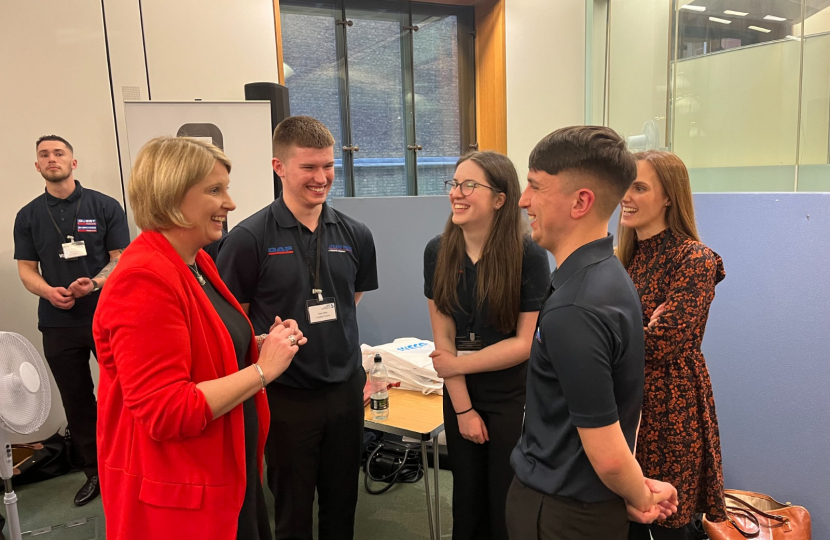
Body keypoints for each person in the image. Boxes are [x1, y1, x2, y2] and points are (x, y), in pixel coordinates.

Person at [93, 137, 305, 539]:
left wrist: (259, 343)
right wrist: (263, 370)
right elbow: (166, 410)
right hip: (181, 491)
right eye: (214, 190)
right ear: (172, 195)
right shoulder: (143, 278)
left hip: (225, 470)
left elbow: (199, 349)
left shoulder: (196, 262)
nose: (231, 203)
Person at [506, 126, 678, 540]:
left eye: (535, 187)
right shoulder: (606, 274)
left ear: (581, 201)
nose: (524, 200)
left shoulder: (576, 305)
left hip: (563, 514)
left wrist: (638, 495)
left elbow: (609, 457)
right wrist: (637, 493)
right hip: (587, 503)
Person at [217, 116, 378, 540]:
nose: (321, 177)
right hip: (285, 397)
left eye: (327, 166)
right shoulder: (249, 239)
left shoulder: (355, 234)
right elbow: (235, 320)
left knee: (342, 502)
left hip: (345, 391)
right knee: (293, 507)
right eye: (309, 167)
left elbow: (349, 302)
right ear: (279, 167)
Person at [424, 151, 550, 540]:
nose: (456, 193)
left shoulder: (528, 254)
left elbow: (524, 344)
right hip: (460, 395)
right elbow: (443, 339)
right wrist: (463, 409)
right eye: (454, 184)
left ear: (500, 198)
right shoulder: (438, 251)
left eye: (469, 185)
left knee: (504, 499)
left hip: (511, 394)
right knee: (467, 499)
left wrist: (457, 366)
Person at [13, 135, 130, 506]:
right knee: (78, 401)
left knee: (126, 394)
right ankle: (95, 474)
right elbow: (27, 270)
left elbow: (121, 257)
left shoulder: (105, 206)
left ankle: (132, 466)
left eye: (59, 153)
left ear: (73, 163)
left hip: (107, 317)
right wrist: (48, 291)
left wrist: (94, 283)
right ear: (37, 166)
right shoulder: (28, 215)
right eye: (44, 155)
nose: (52, 159)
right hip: (58, 323)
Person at [617, 151, 726, 540]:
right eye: (625, 185)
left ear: (668, 197)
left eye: (639, 187)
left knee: (664, 522)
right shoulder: (623, 259)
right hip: (625, 402)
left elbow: (661, 345)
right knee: (624, 517)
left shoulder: (693, 260)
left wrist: (631, 332)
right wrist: (643, 326)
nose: (625, 196)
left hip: (669, 407)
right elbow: (605, 335)